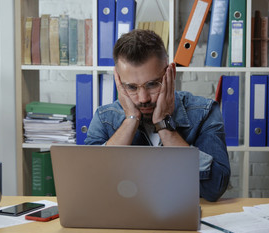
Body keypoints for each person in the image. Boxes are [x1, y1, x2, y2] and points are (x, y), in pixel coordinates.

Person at [85, 29, 230, 202]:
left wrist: (164, 125)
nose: (143, 98)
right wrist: (131, 119)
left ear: (171, 73)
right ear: (119, 82)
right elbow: (89, 185)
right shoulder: (104, 117)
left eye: (153, 84)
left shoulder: (204, 112)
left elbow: (215, 188)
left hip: (182, 220)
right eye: (131, 87)